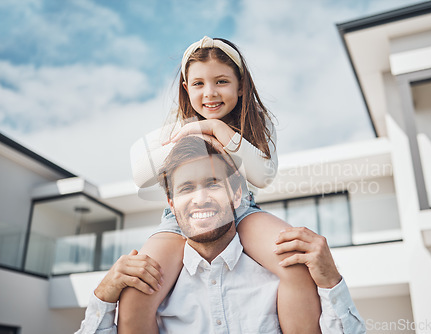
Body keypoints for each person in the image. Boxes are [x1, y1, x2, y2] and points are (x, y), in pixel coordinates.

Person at [124, 36, 322, 333]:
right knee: (138, 286)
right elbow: (140, 172)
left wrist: (216, 127)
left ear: (240, 85)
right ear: (186, 88)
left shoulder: (258, 123)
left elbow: (264, 175)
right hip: (179, 220)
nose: (210, 93)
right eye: (199, 84)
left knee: (293, 260)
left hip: (241, 210)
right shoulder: (176, 124)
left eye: (221, 82)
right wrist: (195, 134)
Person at [76, 136, 366, 333]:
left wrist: (331, 281)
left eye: (213, 184)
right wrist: (102, 296)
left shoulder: (284, 278)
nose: (200, 198)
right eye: (186, 189)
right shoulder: (147, 290)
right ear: (171, 205)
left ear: (237, 194)